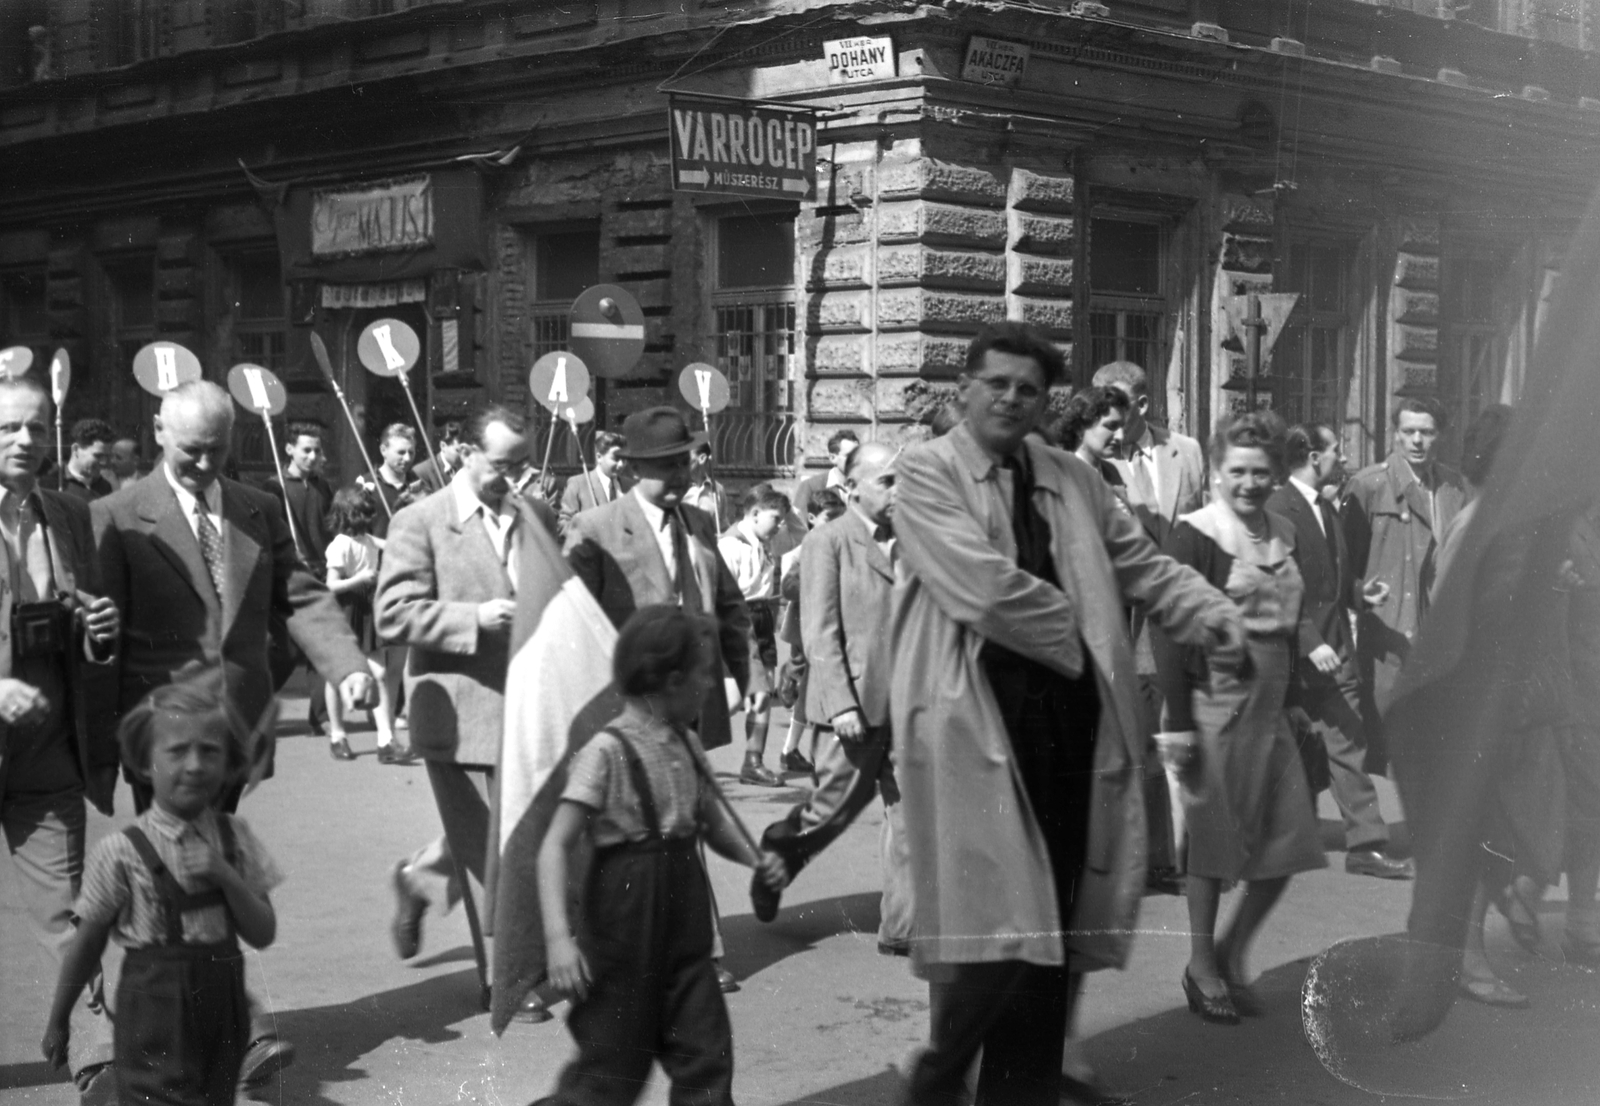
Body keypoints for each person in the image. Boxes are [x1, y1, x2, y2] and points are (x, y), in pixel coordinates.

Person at [892, 323, 1240, 1106]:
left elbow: (1142, 560)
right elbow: (980, 587)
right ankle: (944, 1077)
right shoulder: (927, 473)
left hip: (1068, 725)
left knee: (1049, 930)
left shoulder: (1072, 480)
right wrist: (1088, 633)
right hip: (973, 723)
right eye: (997, 383)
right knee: (1001, 931)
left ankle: (1016, 1088)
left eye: (1029, 388)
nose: (1012, 399)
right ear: (966, 390)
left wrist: (1212, 612)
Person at [89, 380, 373, 1086]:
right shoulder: (117, 515)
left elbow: (298, 596)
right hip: (161, 731)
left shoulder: (256, 508)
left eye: (217, 452)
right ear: (159, 432)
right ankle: (238, 1026)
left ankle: (155, 1028)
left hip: (236, 731)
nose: (205, 467)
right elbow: (101, 631)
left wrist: (345, 664)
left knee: (186, 878)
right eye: (190, 453)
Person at [536, 604, 788, 1106]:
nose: (712, 686)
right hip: (623, 933)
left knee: (706, 1057)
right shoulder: (605, 752)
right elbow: (552, 848)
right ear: (671, 681)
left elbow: (714, 824)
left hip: (684, 933)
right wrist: (559, 940)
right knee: (610, 1073)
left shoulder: (687, 743)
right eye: (704, 674)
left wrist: (755, 859)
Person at [564, 405, 759, 993]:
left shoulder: (699, 523)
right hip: (622, 707)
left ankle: (699, 951)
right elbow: (573, 617)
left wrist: (740, 675)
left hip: (688, 701)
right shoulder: (596, 526)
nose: (679, 476)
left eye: (683, 463)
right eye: (664, 467)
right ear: (629, 468)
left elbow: (728, 605)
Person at [1154, 412, 1327, 1025]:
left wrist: (1298, 696)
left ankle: (1232, 949)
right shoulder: (1196, 533)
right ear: (1217, 472)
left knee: (1287, 846)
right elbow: (1169, 629)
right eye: (1237, 472)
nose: (1250, 483)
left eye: (1261, 472)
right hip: (1214, 705)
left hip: (1272, 707)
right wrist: (1176, 721)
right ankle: (1201, 964)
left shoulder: (1283, 527)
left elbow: (1292, 618)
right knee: (1211, 846)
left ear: (1276, 472)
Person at [43, 668, 282, 1106]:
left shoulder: (235, 839)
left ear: (228, 761)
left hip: (221, 1010)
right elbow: (87, 942)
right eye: (176, 752)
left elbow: (263, 932)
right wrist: (59, 1018)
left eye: (210, 751)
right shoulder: (120, 851)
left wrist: (226, 877)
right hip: (154, 1014)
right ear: (145, 762)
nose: (194, 765)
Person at [378, 405, 559, 976]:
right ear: (464, 452)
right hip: (458, 705)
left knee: (515, 831)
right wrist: (474, 617)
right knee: (488, 842)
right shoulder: (421, 519)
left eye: (523, 465)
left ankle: (422, 880)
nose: (516, 478)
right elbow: (391, 614)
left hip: (528, 703)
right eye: (503, 465)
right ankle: (503, 976)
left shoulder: (538, 514)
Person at [0, 377, 122, 1104]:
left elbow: (84, 619)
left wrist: (97, 634)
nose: (25, 442)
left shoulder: (67, 514)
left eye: (38, 429)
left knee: (69, 909)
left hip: (47, 749)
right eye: (9, 428)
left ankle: (98, 1062)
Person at [755, 442, 912, 955]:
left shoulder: (912, 537)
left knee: (910, 814)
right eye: (887, 481)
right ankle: (779, 852)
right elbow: (820, 630)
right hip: (854, 705)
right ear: (851, 489)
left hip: (909, 705)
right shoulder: (830, 541)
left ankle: (903, 929)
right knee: (832, 812)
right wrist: (841, 703)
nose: (899, 490)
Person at [1268, 425, 1412, 880]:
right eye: (1336, 450)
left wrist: (1359, 593)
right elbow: (1280, 583)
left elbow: (1327, 580)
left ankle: (1365, 844)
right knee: (1277, 746)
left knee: (1347, 737)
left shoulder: (1326, 507)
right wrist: (1311, 643)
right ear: (1313, 457)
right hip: (1293, 654)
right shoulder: (1278, 508)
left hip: (1334, 649)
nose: (1343, 457)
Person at [1343, 396, 1467, 765]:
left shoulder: (1453, 486)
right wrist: (1361, 596)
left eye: (1426, 432)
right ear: (1395, 435)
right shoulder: (1368, 486)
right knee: (1388, 745)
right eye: (1408, 431)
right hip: (1388, 635)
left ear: (1439, 436)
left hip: (1439, 632)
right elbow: (1344, 565)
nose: (1417, 441)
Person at [322, 486, 406, 763]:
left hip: (368, 610)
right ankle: (337, 735)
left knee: (378, 674)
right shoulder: (340, 544)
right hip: (346, 610)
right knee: (338, 676)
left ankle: (385, 739)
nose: (369, 519)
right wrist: (359, 579)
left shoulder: (367, 539)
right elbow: (331, 585)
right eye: (364, 514)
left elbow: (392, 546)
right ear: (349, 515)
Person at [264, 421, 337, 734]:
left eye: (316, 450)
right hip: (289, 574)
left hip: (320, 572)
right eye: (306, 450)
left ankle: (320, 716)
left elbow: (330, 526)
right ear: (289, 449)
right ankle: (254, 708)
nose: (312, 456)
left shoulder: (322, 486)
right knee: (285, 652)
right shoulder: (274, 486)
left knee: (320, 647)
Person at [718, 485, 790, 786]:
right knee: (733, 699)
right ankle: (677, 742)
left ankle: (753, 762)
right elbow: (721, 594)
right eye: (777, 518)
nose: (781, 525)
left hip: (762, 618)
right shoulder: (731, 545)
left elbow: (798, 533)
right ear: (755, 513)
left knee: (763, 692)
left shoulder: (764, 539)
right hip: (737, 619)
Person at [772, 488, 847, 775]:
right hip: (812, 628)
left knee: (812, 688)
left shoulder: (842, 544)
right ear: (813, 519)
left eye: (840, 518)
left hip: (835, 626)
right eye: (830, 518)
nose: (835, 524)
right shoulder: (805, 550)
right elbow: (789, 588)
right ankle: (820, 750)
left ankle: (791, 750)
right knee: (822, 686)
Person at [357, 423, 424, 539]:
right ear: (383, 450)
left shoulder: (418, 485)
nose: (407, 458)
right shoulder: (365, 485)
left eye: (411, 452)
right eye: (401, 452)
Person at [558, 429, 627, 535]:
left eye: (624, 459)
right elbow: (563, 526)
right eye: (616, 458)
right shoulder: (578, 484)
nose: (621, 464)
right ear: (599, 457)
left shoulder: (629, 486)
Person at [792, 429, 858, 520]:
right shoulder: (811, 486)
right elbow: (799, 526)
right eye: (849, 455)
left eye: (858, 454)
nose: (855, 460)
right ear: (833, 458)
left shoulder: (866, 486)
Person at [59, 418, 115, 502]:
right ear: (76, 450)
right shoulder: (56, 483)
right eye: (98, 456)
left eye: (107, 456)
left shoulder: (105, 486)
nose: (104, 462)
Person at [684, 440, 732, 530]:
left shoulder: (717, 489)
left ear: (702, 458)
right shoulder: (678, 488)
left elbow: (723, 525)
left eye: (686, 456)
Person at [410, 420, 465, 494]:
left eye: (464, 450)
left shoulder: (465, 468)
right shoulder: (422, 471)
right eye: (458, 450)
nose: (463, 455)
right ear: (443, 446)